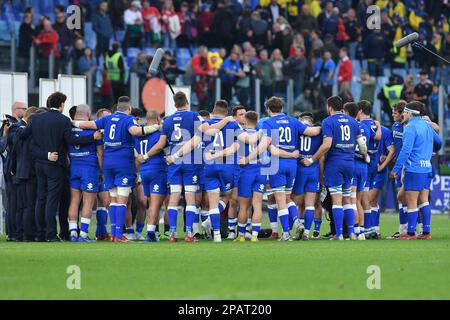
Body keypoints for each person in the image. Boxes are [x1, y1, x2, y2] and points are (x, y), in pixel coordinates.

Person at [139, 93, 233, 242]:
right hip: (191, 161)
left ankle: (173, 233)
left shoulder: (168, 120)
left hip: (174, 162)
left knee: (174, 198)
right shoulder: (194, 116)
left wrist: (146, 156)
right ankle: (189, 233)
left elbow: (161, 143)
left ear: (175, 104)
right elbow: (209, 131)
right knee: (190, 199)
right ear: (187, 102)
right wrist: (226, 120)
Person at [73, 96, 160, 242]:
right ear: (129, 109)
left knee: (113, 198)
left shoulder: (107, 119)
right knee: (122, 199)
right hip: (123, 162)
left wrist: (71, 122)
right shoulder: (128, 119)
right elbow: (136, 132)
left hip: (108, 162)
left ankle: (114, 233)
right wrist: (156, 127)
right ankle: (119, 235)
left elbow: (89, 125)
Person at [19, 93, 102, 242]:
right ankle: (51, 234)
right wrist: (92, 138)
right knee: (52, 199)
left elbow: (23, 135)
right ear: (61, 105)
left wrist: (43, 153)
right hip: (56, 165)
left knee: (41, 199)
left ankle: (41, 233)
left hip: (39, 164)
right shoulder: (63, 120)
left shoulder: (36, 118)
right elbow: (71, 140)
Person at [246, 97, 321, 241]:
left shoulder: (268, 123)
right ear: (281, 108)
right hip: (292, 165)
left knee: (280, 200)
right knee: (287, 197)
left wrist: (249, 157)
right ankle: (298, 222)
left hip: (277, 164)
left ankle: (286, 233)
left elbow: (265, 145)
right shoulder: (293, 121)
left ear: (268, 109)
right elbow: (311, 132)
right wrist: (323, 127)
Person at [302, 96, 367, 241]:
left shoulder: (328, 121)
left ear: (329, 107)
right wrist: (365, 156)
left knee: (336, 200)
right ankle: (351, 233)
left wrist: (312, 159)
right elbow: (362, 144)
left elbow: (326, 145)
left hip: (335, 163)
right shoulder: (353, 121)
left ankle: (338, 234)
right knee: (348, 200)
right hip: (350, 164)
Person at [391, 101, 442, 240]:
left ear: (410, 113)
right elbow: (439, 143)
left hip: (414, 168)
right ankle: (426, 232)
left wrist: (396, 168)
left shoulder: (410, 127)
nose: (403, 115)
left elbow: (406, 150)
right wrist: (428, 151)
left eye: (405, 113)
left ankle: (411, 232)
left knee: (411, 200)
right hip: (426, 167)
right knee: (421, 199)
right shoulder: (426, 125)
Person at [67, 105, 103, 242]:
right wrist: (101, 171)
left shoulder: (68, 129)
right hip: (90, 168)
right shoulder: (94, 130)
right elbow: (100, 153)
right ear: (88, 114)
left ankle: (72, 233)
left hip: (74, 167)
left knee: (74, 200)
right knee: (88, 201)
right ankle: (83, 234)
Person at [134, 110, 167, 242]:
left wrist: (141, 157)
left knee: (151, 203)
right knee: (155, 204)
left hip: (144, 170)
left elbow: (135, 150)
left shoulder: (138, 133)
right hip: (157, 169)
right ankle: (150, 233)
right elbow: (164, 147)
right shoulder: (159, 133)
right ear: (158, 119)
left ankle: (150, 231)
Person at [291, 112, 323, 240]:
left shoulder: (297, 133)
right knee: (310, 204)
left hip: (299, 170)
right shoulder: (318, 134)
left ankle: (288, 231)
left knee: (292, 201)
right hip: (313, 170)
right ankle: (306, 233)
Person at [343, 102, 370, 240]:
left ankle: (353, 232)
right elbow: (366, 146)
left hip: (352, 164)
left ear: (346, 113)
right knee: (358, 200)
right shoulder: (365, 127)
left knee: (351, 200)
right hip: (364, 166)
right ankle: (362, 232)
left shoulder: (349, 126)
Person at [369, 124, 395, 238]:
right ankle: (373, 229)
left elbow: (392, 150)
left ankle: (373, 229)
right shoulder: (359, 127)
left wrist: (383, 165)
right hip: (365, 170)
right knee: (370, 201)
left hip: (378, 172)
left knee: (371, 199)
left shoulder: (385, 131)